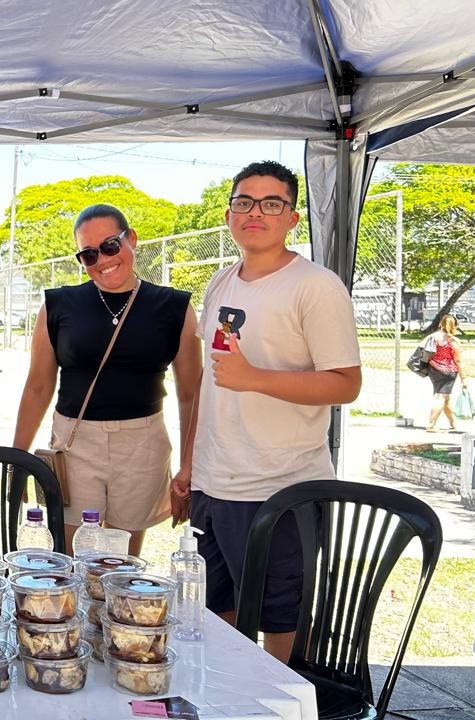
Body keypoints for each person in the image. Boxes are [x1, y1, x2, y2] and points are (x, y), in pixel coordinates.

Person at [173, 160, 361, 662]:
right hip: (215, 485)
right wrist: (190, 468)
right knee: (216, 612)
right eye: (243, 202)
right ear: (230, 213)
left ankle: (282, 705)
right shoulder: (221, 282)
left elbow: (346, 384)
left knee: (281, 617)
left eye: (271, 203)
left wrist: (256, 378)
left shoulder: (315, 286)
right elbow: (209, 389)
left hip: (279, 489)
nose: (255, 212)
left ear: (293, 217)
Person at [12, 204, 201, 556]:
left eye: (111, 245)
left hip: (142, 444)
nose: (102, 259)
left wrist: (189, 465)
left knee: (121, 565)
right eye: (88, 254)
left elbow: (191, 394)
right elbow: (38, 386)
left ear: (131, 240)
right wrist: (17, 457)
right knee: (70, 559)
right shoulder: (59, 305)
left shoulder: (174, 307)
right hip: (75, 442)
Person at [424, 314, 467, 432]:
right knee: (441, 397)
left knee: (444, 397)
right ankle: (431, 424)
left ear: (440, 323)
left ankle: (453, 423)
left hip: (433, 369)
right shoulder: (453, 341)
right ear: (455, 326)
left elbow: (426, 352)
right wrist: (464, 378)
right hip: (448, 372)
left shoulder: (433, 337)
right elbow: (458, 361)